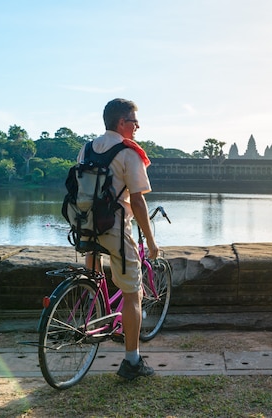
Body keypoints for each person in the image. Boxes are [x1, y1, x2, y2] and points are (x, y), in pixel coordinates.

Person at [78, 98, 159, 381]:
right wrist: (150, 240)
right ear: (122, 123)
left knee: (96, 278)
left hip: (84, 227)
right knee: (133, 293)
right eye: (134, 121)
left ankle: (96, 310)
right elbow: (137, 201)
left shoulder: (86, 148)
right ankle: (132, 362)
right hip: (113, 228)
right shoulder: (128, 153)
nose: (138, 126)